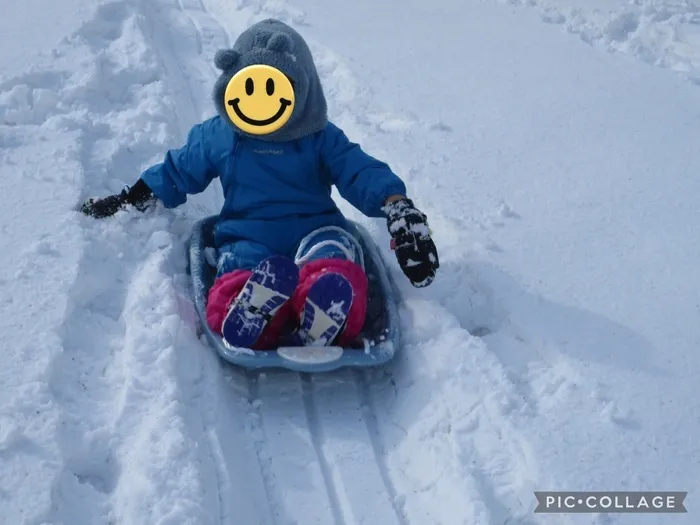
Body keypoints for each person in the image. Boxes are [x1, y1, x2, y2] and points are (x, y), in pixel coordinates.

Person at [81, 18, 438, 350]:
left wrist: (395, 203)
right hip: (274, 235)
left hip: (269, 235)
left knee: (318, 263)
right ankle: (275, 305)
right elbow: (178, 170)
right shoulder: (225, 135)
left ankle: (307, 301)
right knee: (308, 260)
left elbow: (360, 172)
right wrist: (134, 197)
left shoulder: (318, 138)